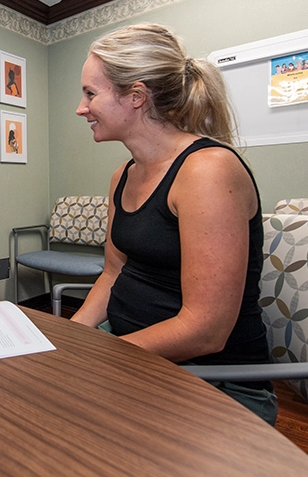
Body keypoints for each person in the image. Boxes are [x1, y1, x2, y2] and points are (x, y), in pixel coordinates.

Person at [71, 23, 277, 425]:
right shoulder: (122, 176)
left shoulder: (208, 170)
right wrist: (71, 339)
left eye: (90, 94)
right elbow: (114, 271)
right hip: (135, 356)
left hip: (214, 382)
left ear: (135, 96)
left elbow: (207, 330)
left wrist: (96, 357)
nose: (81, 108)